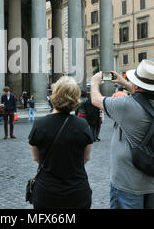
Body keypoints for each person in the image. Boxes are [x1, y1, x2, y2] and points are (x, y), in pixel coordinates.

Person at [90, 60, 154, 209]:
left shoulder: (126, 105)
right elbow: (143, 98)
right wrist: (125, 83)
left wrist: (94, 81)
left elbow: (95, 99)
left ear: (137, 84)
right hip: (153, 181)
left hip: (127, 182)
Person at [28, 76, 93, 209]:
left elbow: (36, 158)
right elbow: (86, 158)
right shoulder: (82, 125)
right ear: (76, 98)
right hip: (77, 191)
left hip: (47, 192)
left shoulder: (39, 124)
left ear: (54, 95)